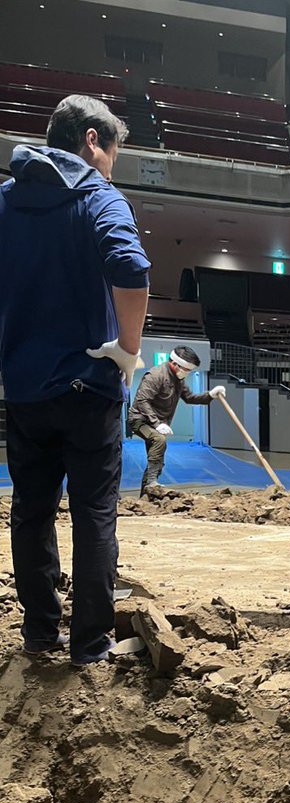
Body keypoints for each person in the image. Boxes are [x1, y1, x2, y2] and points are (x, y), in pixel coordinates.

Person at [0, 94, 150, 665]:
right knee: (94, 515)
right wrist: (129, 350)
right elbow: (132, 270)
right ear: (92, 141)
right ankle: (90, 644)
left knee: (31, 511)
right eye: (113, 150)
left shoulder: (7, 201)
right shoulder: (96, 195)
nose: (114, 164)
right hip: (90, 386)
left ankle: (40, 635)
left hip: (26, 389)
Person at [127, 346, 223, 496]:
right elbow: (142, 400)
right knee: (158, 440)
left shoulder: (179, 379)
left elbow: (190, 398)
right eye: (186, 369)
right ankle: (151, 483)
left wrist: (210, 395)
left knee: (158, 461)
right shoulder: (156, 375)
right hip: (140, 419)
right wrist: (157, 423)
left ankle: (146, 497)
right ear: (175, 363)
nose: (187, 373)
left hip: (157, 423)